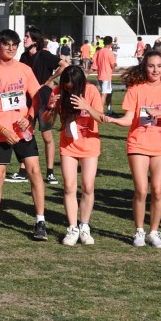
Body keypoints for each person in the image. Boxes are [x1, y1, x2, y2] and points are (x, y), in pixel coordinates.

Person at [0, 29, 47, 241]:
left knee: (35, 172)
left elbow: (36, 98)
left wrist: (31, 116)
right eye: (6, 44)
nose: (11, 48)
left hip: (22, 129)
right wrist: (2, 129)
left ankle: (40, 221)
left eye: (14, 45)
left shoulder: (25, 70)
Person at [103, 51, 161, 248]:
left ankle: (154, 231)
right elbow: (128, 120)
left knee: (158, 190)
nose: (155, 70)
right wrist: (112, 119)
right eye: (151, 66)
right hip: (138, 143)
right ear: (145, 67)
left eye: (159, 66)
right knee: (141, 190)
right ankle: (139, 231)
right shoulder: (136, 90)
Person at [42, 66, 103, 246]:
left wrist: (86, 106)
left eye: (71, 87)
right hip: (68, 144)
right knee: (69, 186)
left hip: (90, 144)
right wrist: (51, 107)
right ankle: (72, 227)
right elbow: (47, 121)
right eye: (65, 87)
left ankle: (84, 226)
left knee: (88, 186)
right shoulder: (58, 91)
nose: (68, 90)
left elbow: (101, 118)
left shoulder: (91, 91)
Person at [16, 26, 68, 186]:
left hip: (44, 99)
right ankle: (22, 171)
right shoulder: (23, 56)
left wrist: (49, 79)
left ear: (35, 40)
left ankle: (50, 172)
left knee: (46, 136)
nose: (24, 39)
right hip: (27, 100)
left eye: (27, 36)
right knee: (24, 134)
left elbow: (64, 65)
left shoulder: (44, 55)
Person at [93, 36, 117, 116]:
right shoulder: (110, 52)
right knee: (104, 94)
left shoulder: (99, 51)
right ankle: (99, 112)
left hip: (100, 75)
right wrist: (115, 64)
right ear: (111, 43)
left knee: (109, 92)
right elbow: (113, 65)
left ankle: (109, 110)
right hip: (106, 76)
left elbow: (95, 62)